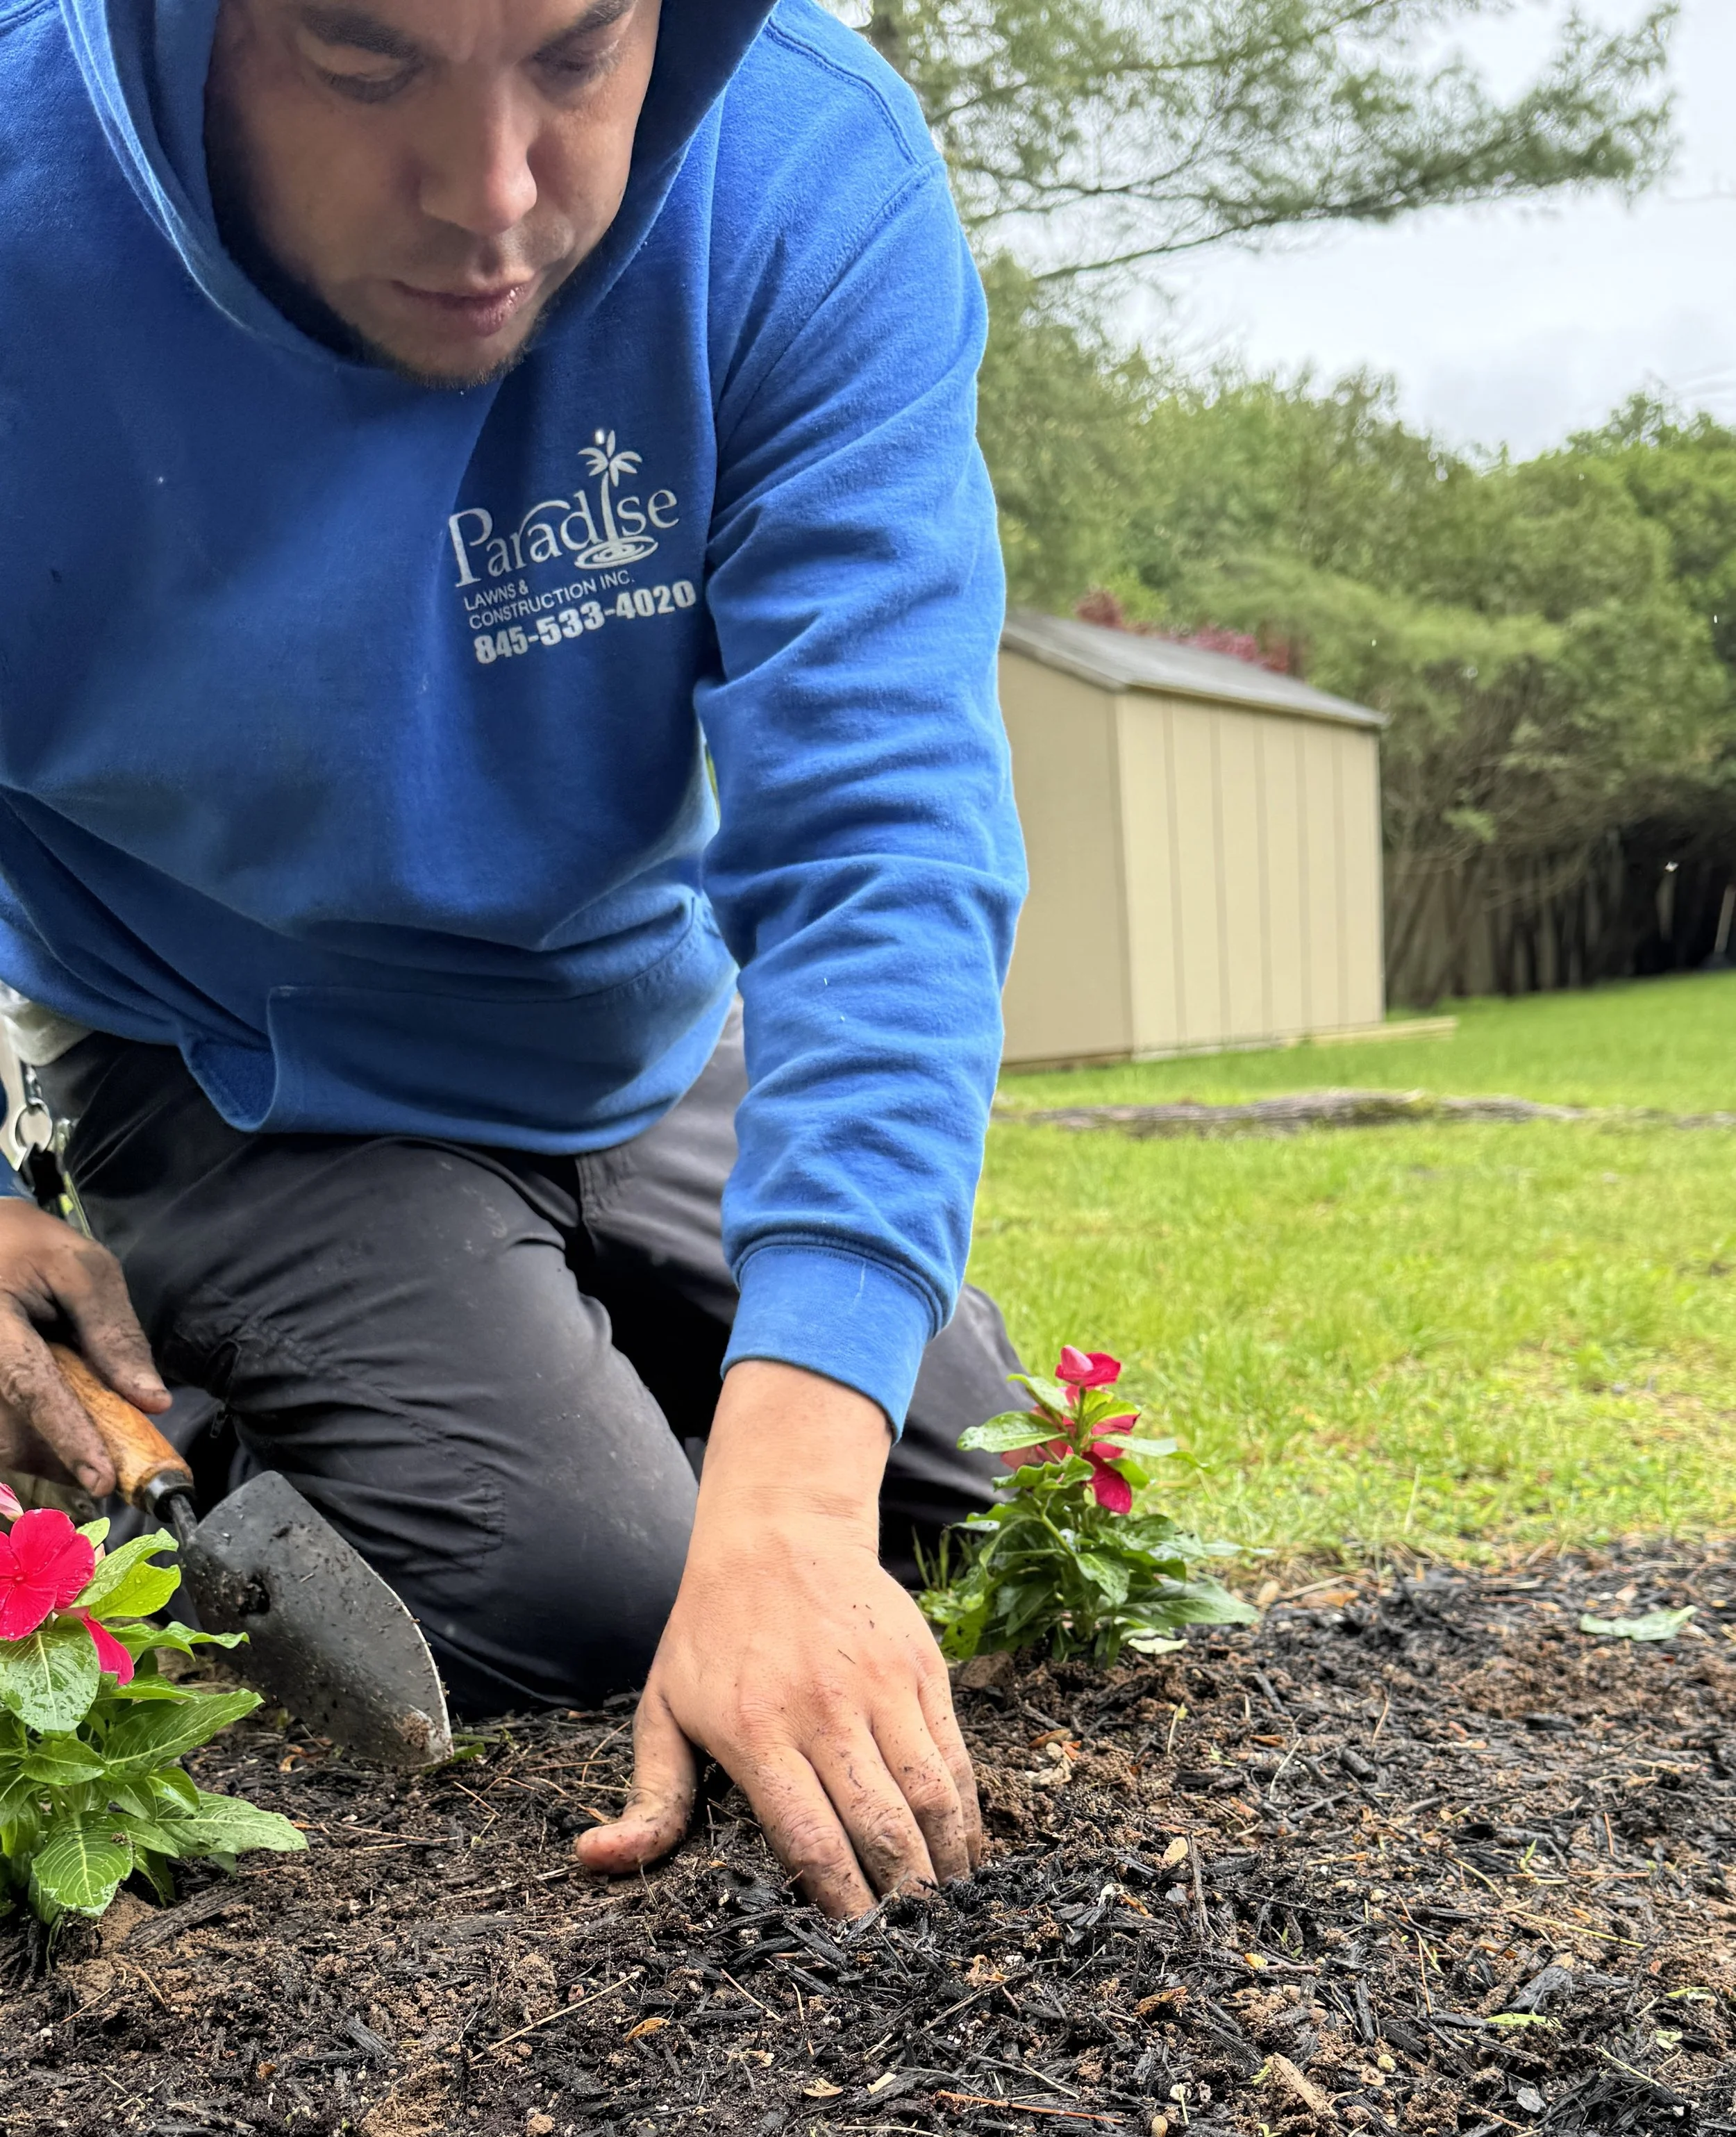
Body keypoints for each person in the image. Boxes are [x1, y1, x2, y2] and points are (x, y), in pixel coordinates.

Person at [0, 0, 1028, 1915]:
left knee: (957, 1477)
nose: (492, 197)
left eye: (573, 55)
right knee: (593, 1593)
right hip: (240, 1053)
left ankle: (586, 1353)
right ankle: (197, 1454)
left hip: (630, 1017)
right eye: (364, 60)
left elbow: (884, 828)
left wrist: (796, 1502)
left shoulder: (802, 174)